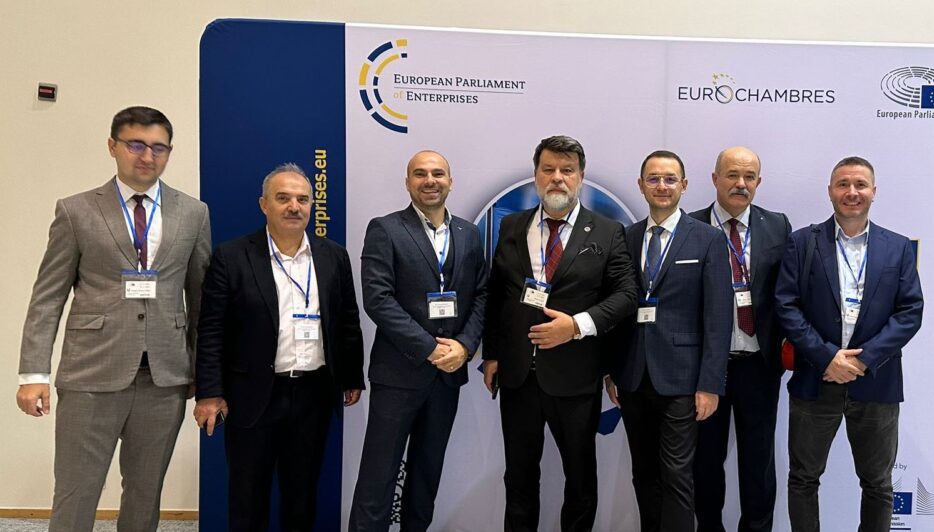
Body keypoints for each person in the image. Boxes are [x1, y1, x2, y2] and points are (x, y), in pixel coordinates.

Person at [15, 106, 211, 531]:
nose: (148, 156)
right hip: (91, 374)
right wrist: (33, 373)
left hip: (164, 379)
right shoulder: (76, 211)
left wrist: (203, 372)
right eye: (136, 145)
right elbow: (47, 297)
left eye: (159, 148)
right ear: (113, 146)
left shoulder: (193, 213)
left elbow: (200, 301)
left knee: (145, 493)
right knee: (76, 491)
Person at [193, 163, 364, 532]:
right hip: (252, 394)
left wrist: (352, 376)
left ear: (312, 206)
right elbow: (211, 329)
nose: (294, 207)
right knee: (248, 497)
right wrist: (209, 392)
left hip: (313, 395)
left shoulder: (334, 256)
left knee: (301, 497)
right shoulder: (232, 256)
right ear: (264, 204)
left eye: (303, 199)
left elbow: (347, 320)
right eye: (283, 198)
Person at [482, 135, 637, 532]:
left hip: (576, 375)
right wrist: (492, 353)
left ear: (580, 177)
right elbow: (498, 293)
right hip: (518, 375)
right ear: (536, 175)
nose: (557, 178)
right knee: (518, 478)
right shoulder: (512, 226)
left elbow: (626, 295)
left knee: (580, 480)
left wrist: (577, 325)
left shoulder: (607, 231)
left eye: (567, 170)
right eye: (548, 169)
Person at [775, 156, 923, 532]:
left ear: (874, 191)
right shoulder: (802, 242)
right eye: (843, 184)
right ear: (830, 191)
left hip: (876, 382)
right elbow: (786, 305)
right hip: (816, 378)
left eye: (860, 185)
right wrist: (827, 357)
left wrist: (864, 360)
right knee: (803, 478)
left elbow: (910, 312)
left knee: (878, 484)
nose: (851, 192)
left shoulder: (897, 247)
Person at [350, 151, 487, 531]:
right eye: (420, 174)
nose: (430, 180)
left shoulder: (468, 234)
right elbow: (378, 299)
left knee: (426, 476)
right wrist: (429, 347)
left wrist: (464, 347)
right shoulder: (386, 229)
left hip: (446, 377)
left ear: (450, 181)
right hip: (398, 374)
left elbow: (482, 295)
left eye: (438, 173)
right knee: (378, 478)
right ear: (408, 182)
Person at [605, 149, 733, 532]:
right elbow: (614, 309)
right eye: (654, 179)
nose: (662, 186)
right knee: (643, 473)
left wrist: (710, 384)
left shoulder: (708, 239)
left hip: (683, 378)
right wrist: (611, 371)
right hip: (632, 376)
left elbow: (718, 318)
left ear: (684, 185)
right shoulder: (625, 237)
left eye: (670, 179)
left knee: (677, 475)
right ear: (641, 185)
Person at [690, 147, 791, 532]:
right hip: (706, 369)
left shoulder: (777, 225)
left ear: (759, 182)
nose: (741, 184)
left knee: (759, 463)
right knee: (704, 462)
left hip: (758, 366)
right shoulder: (691, 226)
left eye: (749, 177)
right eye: (732, 175)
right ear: (715, 179)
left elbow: (787, 293)